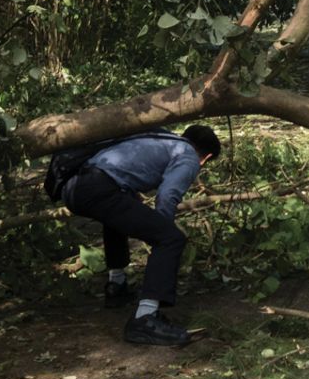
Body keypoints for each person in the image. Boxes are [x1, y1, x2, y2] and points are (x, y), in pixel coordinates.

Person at [61, 123, 222, 347]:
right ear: (206, 157)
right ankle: (144, 318)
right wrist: (160, 235)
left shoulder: (160, 138)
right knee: (171, 238)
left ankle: (116, 286)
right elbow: (167, 196)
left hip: (74, 186)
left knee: (121, 210)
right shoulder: (188, 155)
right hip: (98, 188)